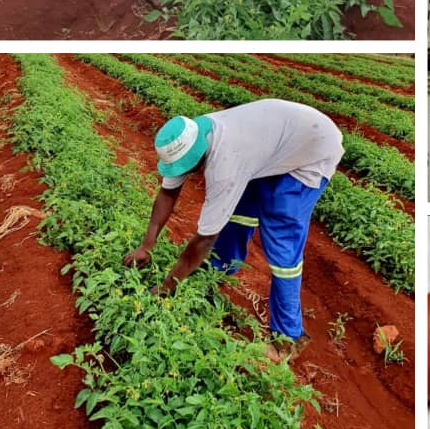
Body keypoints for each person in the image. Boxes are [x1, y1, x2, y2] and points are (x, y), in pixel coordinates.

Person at [122, 100, 344, 361]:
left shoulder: (225, 165)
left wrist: (168, 285)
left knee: (281, 231)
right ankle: (219, 272)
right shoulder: (189, 136)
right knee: (239, 211)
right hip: (274, 141)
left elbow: (204, 239)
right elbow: (168, 192)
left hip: (312, 148)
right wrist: (146, 245)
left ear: (199, 157)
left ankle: (288, 338)